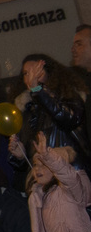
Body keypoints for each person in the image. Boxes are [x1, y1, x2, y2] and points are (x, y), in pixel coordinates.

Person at [7, 53, 89, 191]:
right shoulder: (26, 110)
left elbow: (69, 119)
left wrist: (38, 91)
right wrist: (20, 156)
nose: (31, 77)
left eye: (36, 71)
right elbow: (29, 158)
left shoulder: (68, 96)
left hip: (69, 179)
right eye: (26, 73)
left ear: (50, 73)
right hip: (42, 185)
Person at [71, 24, 91, 94]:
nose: (73, 50)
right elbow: (43, 87)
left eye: (79, 44)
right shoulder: (76, 77)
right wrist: (35, 87)